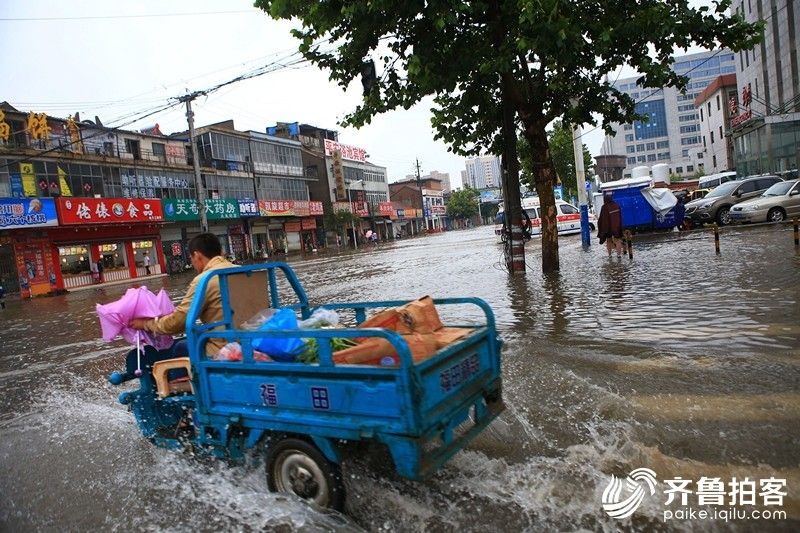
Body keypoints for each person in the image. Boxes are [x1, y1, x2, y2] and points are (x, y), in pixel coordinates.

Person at [129, 233, 236, 369]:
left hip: (225, 346)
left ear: (197, 256)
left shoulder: (205, 279)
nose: (193, 264)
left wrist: (145, 324)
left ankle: (183, 387)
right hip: (251, 340)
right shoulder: (243, 271)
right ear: (220, 252)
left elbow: (178, 322)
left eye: (192, 259)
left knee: (181, 347)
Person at [597, 191, 623, 257]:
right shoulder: (616, 205)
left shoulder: (604, 207)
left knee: (608, 240)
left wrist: (601, 229)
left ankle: (609, 255)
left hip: (607, 228)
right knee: (617, 240)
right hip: (616, 226)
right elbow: (620, 216)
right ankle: (619, 255)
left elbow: (602, 219)